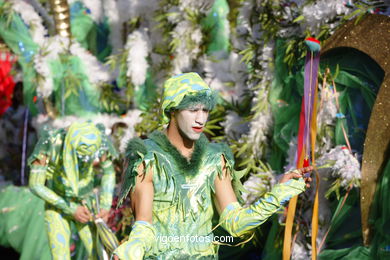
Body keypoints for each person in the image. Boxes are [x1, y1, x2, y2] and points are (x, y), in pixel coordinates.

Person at [113, 72, 312, 259]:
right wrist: (133, 248)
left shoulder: (214, 159)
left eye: (205, 110)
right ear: (172, 111)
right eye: (193, 110)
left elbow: (235, 223)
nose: (201, 119)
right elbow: (144, 225)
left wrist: (278, 194)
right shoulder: (147, 158)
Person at [28, 121, 117, 259]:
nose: (85, 161)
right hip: (57, 204)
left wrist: (105, 206)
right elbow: (35, 185)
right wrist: (71, 209)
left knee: (99, 255)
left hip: (87, 204)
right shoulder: (50, 143)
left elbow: (109, 172)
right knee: (60, 257)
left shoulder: (99, 139)